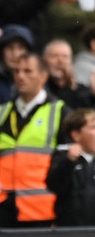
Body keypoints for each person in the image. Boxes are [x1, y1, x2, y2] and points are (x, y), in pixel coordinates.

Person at [0, 53, 71, 227]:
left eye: (27, 71)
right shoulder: (2, 112)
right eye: (16, 71)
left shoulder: (60, 112)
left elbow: (66, 165)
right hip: (4, 210)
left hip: (43, 212)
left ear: (43, 76)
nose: (20, 76)